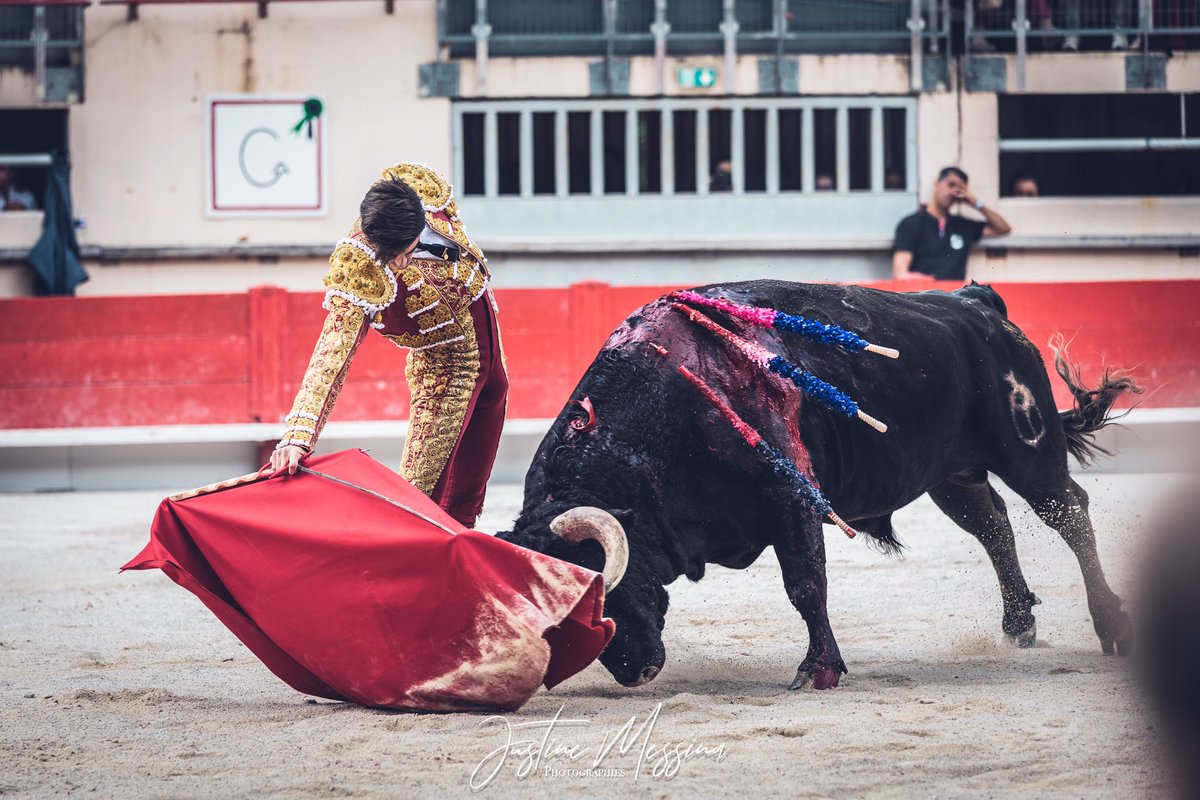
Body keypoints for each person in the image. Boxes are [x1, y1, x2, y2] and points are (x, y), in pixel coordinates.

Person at [269, 162, 508, 528]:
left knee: (468, 492)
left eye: (405, 251)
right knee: (419, 500)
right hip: (444, 372)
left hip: (491, 356)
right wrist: (297, 437)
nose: (398, 262)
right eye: (391, 254)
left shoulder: (421, 190)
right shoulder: (358, 266)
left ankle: (456, 565)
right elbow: (332, 352)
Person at [892, 166, 1012, 282]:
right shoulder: (911, 223)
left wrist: (975, 203)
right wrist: (929, 282)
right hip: (923, 297)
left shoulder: (962, 225)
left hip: (954, 299)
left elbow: (1003, 228)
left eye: (959, 189)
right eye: (951, 185)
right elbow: (900, 274)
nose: (953, 192)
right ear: (936, 184)